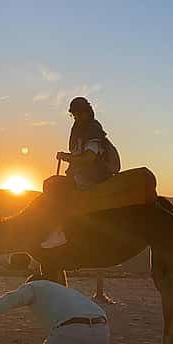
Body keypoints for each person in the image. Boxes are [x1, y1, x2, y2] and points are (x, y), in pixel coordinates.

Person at [41, 97, 121, 248]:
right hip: (83, 172)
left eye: (78, 114)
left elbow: (89, 158)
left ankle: (58, 231)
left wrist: (66, 157)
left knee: (57, 189)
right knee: (52, 183)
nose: (76, 117)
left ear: (86, 112)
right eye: (74, 114)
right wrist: (68, 157)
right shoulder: (81, 129)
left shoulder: (92, 130)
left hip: (94, 175)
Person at [0, 280, 110, 344]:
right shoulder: (65, 292)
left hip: (71, 330)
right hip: (102, 329)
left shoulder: (34, 287)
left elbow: (6, 301)